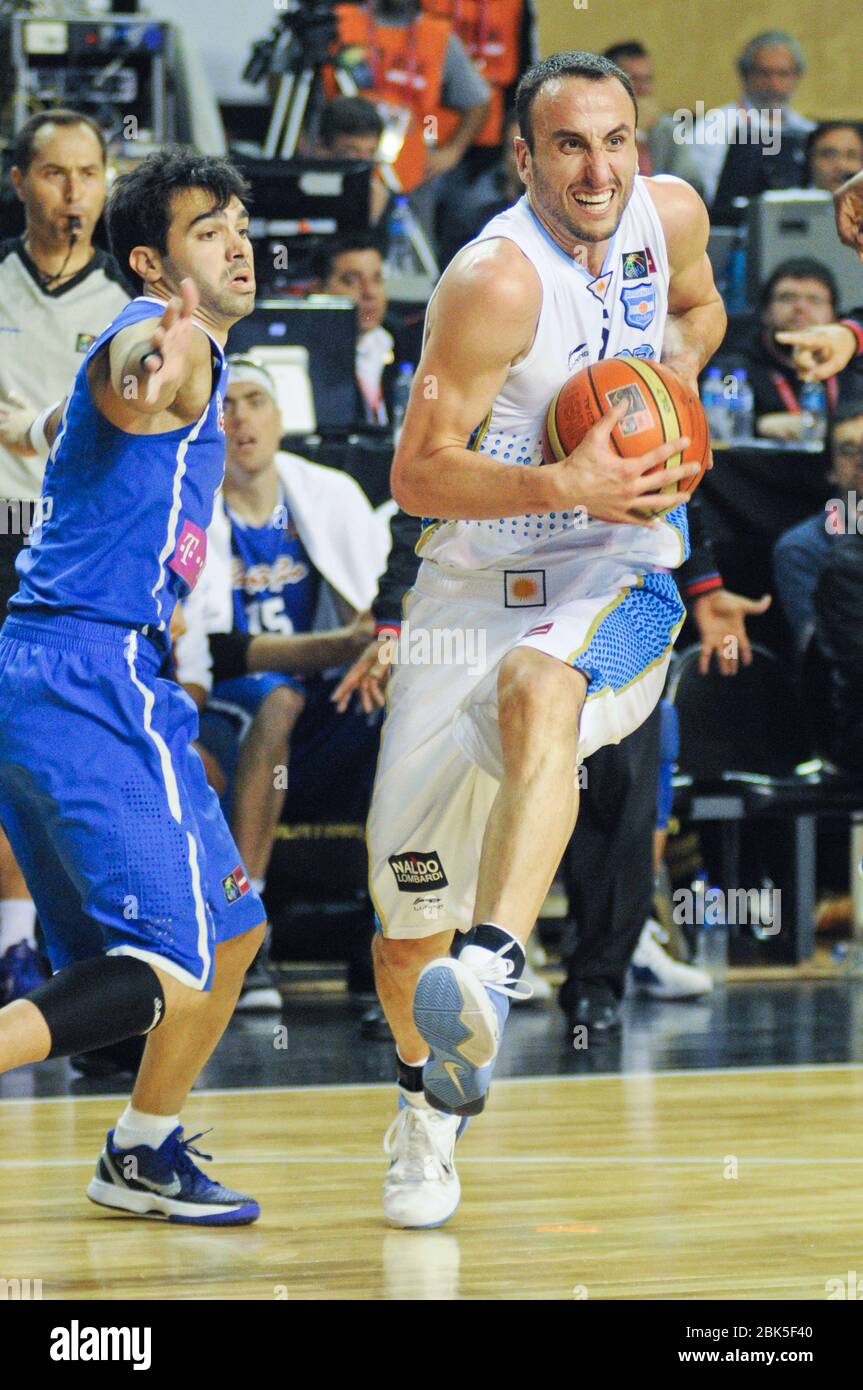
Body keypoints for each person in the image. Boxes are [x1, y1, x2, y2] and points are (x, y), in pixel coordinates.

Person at [357, 50, 726, 1228]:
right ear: (522, 155)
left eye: (614, 139)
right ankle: (425, 1118)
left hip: (619, 577)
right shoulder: (492, 283)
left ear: (638, 142)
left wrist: (676, 374)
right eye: (568, 144)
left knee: (538, 687)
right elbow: (416, 473)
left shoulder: (667, 214)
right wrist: (561, 476)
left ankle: (500, 961)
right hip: (467, 591)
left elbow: (700, 305)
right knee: (402, 926)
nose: (597, 167)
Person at [0, 147, 270, 1225]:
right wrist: (144, 365)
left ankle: (141, 1150)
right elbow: (130, 374)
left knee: (231, 928)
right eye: (212, 231)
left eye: (243, 223)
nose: (240, 242)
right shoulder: (168, 338)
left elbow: (83, 423)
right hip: (86, 675)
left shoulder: (167, 351)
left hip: (74, 672)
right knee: (167, 955)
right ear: (157, 263)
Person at [174, 354, 386, 1009]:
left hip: (322, 700)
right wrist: (343, 643)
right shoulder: (191, 504)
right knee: (277, 696)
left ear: (281, 417)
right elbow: (223, 651)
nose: (241, 418)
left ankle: (394, 934)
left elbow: (376, 614)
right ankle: (248, 929)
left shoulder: (327, 493)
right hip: (224, 704)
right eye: (226, 404)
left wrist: (371, 650)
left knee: (411, 709)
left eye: (254, 402)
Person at [0, 109, 130, 1004]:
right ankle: (15, 941)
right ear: (20, 182)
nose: (73, 192)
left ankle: (85, 951)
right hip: (2, 529)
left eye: (88, 174)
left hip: (77, 548)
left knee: (68, 753)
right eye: (55, 173)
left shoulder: (126, 305)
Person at [325, 0, 491, 195]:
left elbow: (479, 100)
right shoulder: (337, 22)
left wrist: (453, 152)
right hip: (338, 170)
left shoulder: (438, 36)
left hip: (412, 178)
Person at [671, 31, 815, 207]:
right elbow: (702, 195)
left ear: (797, 77)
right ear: (745, 75)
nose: (774, 84)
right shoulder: (714, 126)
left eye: (783, 74)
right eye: (764, 74)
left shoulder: (807, 131)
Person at [773, 403, 863, 651]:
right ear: (831, 469)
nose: (861, 459)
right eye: (848, 449)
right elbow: (823, 648)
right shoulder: (801, 547)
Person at [742, 258, 863, 441]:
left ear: (834, 314)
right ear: (766, 312)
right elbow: (719, 415)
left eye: (814, 299)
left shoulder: (854, 363)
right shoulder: (735, 366)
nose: (800, 307)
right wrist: (757, 425)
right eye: (787, 298)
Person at [311, 233, 398, 425]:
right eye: (352, 281)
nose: (370, 292)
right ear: (318, 289)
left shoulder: (408, 345)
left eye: (377, 279)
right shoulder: (305, 358)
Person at [316, 96, 390, 225]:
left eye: (370, 152)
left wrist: (372, 218)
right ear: (322, 149)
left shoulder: (378, 197)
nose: (363, 162)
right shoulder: (297, 194)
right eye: (351, 151)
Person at [805, 122, 863, 196]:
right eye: (829, 155)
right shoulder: (790, 202)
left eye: (851, 156)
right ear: (810, 160)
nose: (841, 165)